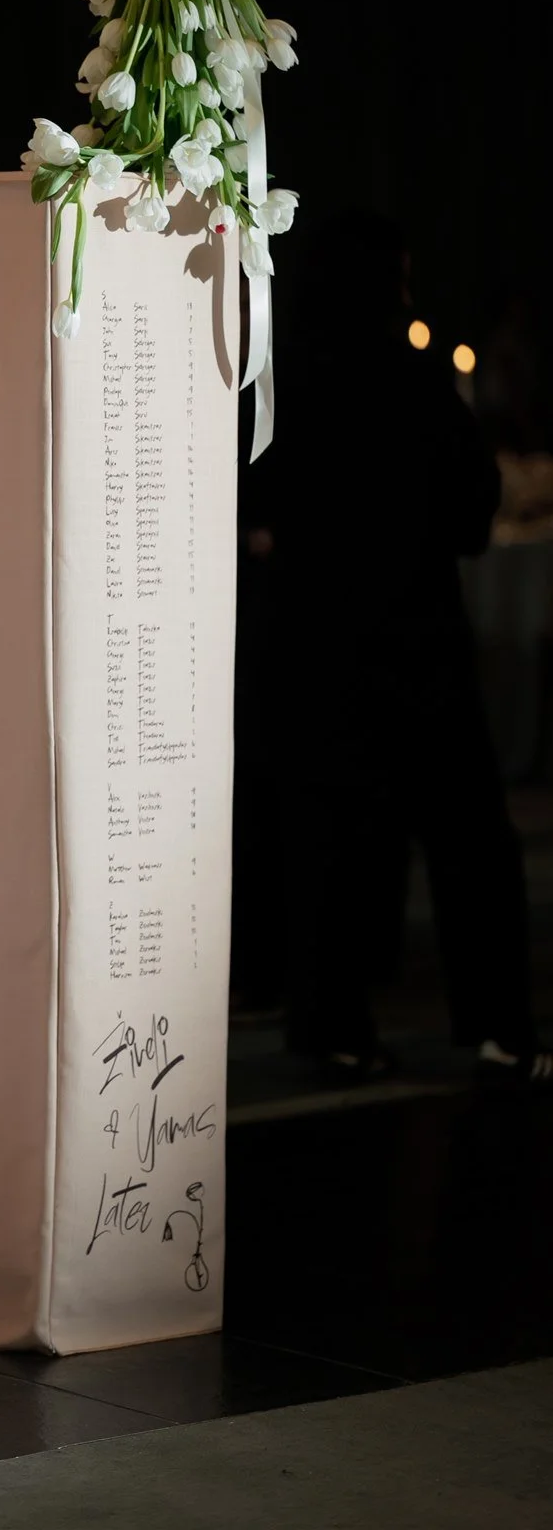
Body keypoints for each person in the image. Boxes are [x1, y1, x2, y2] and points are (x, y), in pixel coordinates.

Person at [259, 214, 550, 1083]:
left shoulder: (282, 384)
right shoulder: (413, 381)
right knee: (470, 846)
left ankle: (328, 1028)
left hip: (316, 651)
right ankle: (498, 1027)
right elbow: (471, 518)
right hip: (418, 646)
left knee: (332, 845)